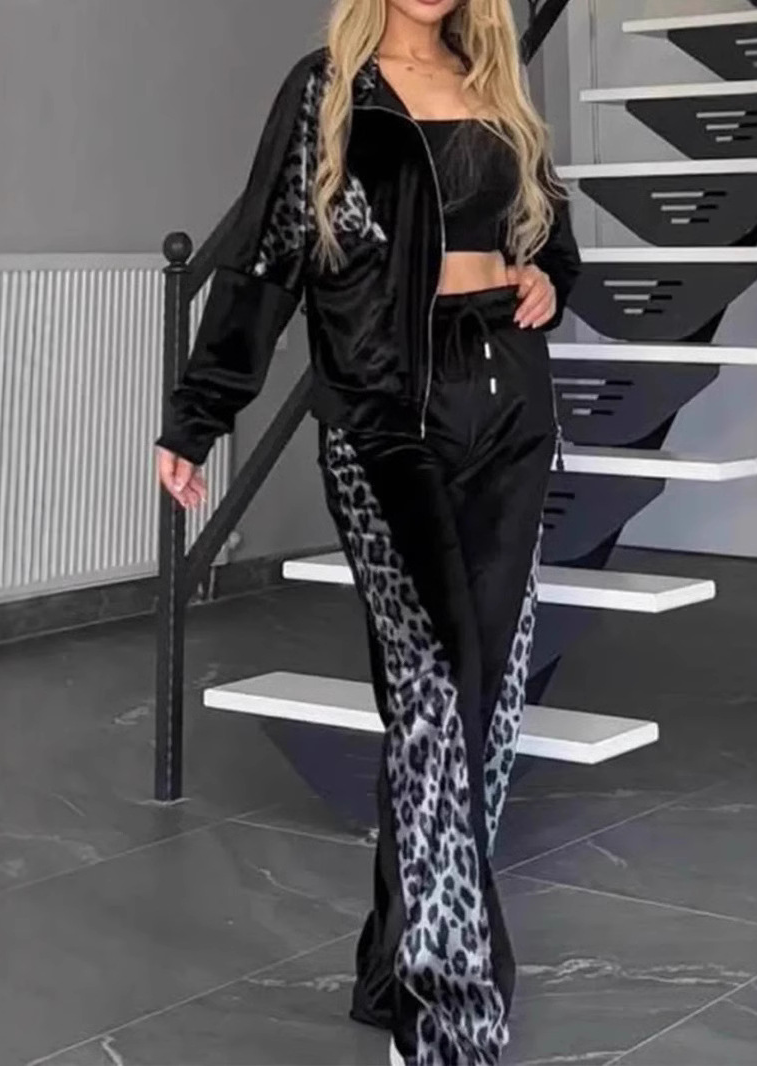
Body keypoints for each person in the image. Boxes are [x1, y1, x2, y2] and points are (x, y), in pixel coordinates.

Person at [155, 0, 581, 1061]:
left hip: (509, 403)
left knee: (480, 705)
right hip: (386, 419)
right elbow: (265, 258)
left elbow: (548, 238)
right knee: (434, 691)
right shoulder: (328, 91)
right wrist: (200, 415)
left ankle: (395, 965)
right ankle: (449, 1017)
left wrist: (544, 276)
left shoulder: (496, 83)